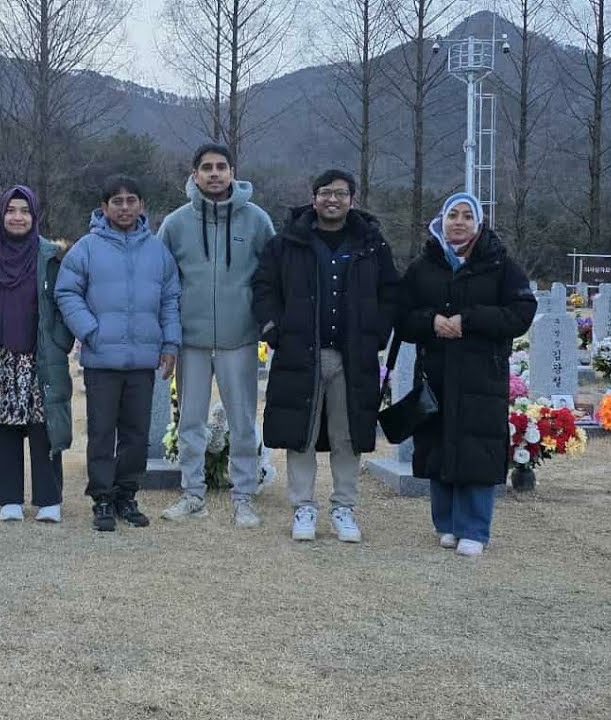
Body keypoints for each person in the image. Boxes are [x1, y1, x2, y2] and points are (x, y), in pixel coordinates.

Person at [252, 169, 398, 543]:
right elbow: (264, 287)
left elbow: (390, 293)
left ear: (352, 199)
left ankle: (343, 507)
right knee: (300, 432)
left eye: (341, 193)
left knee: (347, 432)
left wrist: (377, 334)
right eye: (325, 193)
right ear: (313, 197)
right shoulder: (287, 241)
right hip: (301, 353)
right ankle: (303, 506)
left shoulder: (371, 244)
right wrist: (273, 329)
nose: (332, 200)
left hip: (353, 356)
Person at [396, 192, 535, 556]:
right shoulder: (424, 265)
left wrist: (468, 321)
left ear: (478, 223)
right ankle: (445, 523)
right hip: (437, 370)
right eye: (452, 215)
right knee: (438, 443)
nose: (458, 222)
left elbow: (521, 313)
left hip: (481, 373)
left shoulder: (500, 263)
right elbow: (402, 315)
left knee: (477, 446)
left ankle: (474, 527)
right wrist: (432, 322)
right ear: (441, 220)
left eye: (466, 216)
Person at [157, 143, 275, 528]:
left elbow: (273, 276)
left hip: (239, 339)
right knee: (190, 422)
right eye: (205, 167)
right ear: (194, 175)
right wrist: (167, 336)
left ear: (232, 172)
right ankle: (193, 494)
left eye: (221, 167)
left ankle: (244, 497)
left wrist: (266, 323)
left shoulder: (257, 221)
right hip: (189, 341)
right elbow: (161, 280)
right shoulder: (175, 224)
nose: (213, 173)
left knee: (242, 422)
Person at [55, 175, 181, 532]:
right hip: (101, 360)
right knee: (101, 432)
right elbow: (67, 292)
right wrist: (91, 331)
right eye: (117, 201)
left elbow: (171, 299)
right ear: (104, 206)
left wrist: (170, 344)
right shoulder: (87, 248)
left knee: (137, 433)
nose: (124, 207)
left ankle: (127, 494)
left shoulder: (158, 251)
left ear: (141, 205)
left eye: (131, 200)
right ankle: (103, 499)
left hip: (143, 361)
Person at [0, 186, 74, 523]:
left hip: (40, 353)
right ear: (0, 215)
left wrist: (59, 342)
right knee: (2, 424)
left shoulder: (50, 255)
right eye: (11, 210)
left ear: (35, 216)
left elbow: (65, 302)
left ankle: (48, 498)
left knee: (44, 424)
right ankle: (8, 497)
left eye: (24, 211)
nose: (17, 217)